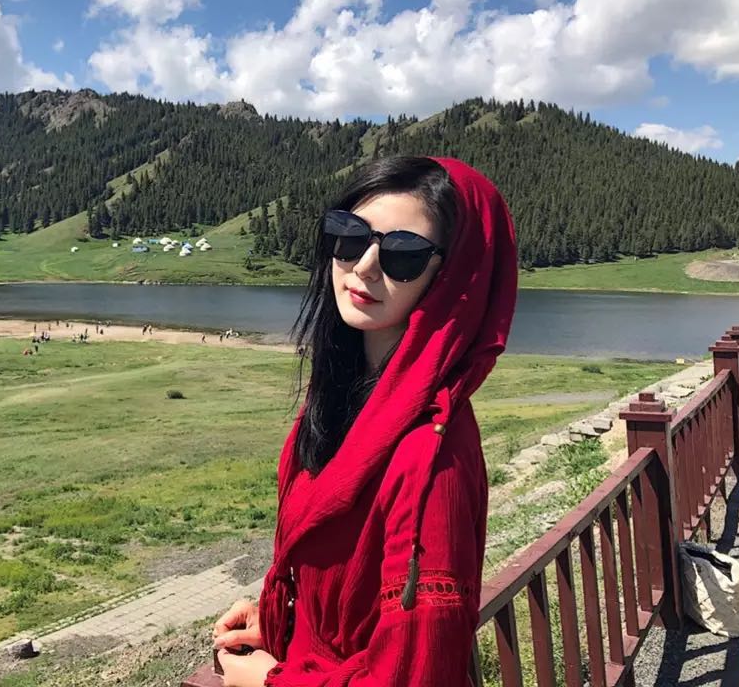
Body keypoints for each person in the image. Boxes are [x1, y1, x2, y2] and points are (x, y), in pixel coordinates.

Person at [212, 157, 517, 686]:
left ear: (453, 278)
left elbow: (415, 676)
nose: (365, 266)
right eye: (350, 237)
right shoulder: (345, 400)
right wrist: (287, 615)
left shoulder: (429, 458)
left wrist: (268, 682)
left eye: (404, 254)